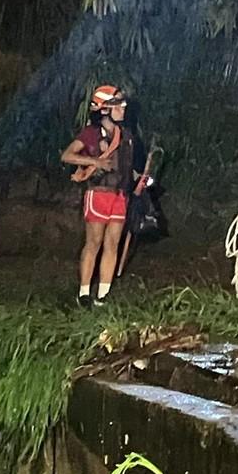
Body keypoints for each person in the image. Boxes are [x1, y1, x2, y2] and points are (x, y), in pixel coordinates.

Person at [61, 85, 138, 307]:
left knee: (112, 243)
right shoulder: (91, 133)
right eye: (118, 104)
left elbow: (126, 166)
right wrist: (95, 162)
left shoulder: (127, 135)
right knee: (93, 242)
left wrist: (140, 179)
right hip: (99, 194)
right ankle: (84, 294)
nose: (123, 108)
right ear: (104, 109)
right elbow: (67, 155)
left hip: (120, 195)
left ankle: (103, 296)